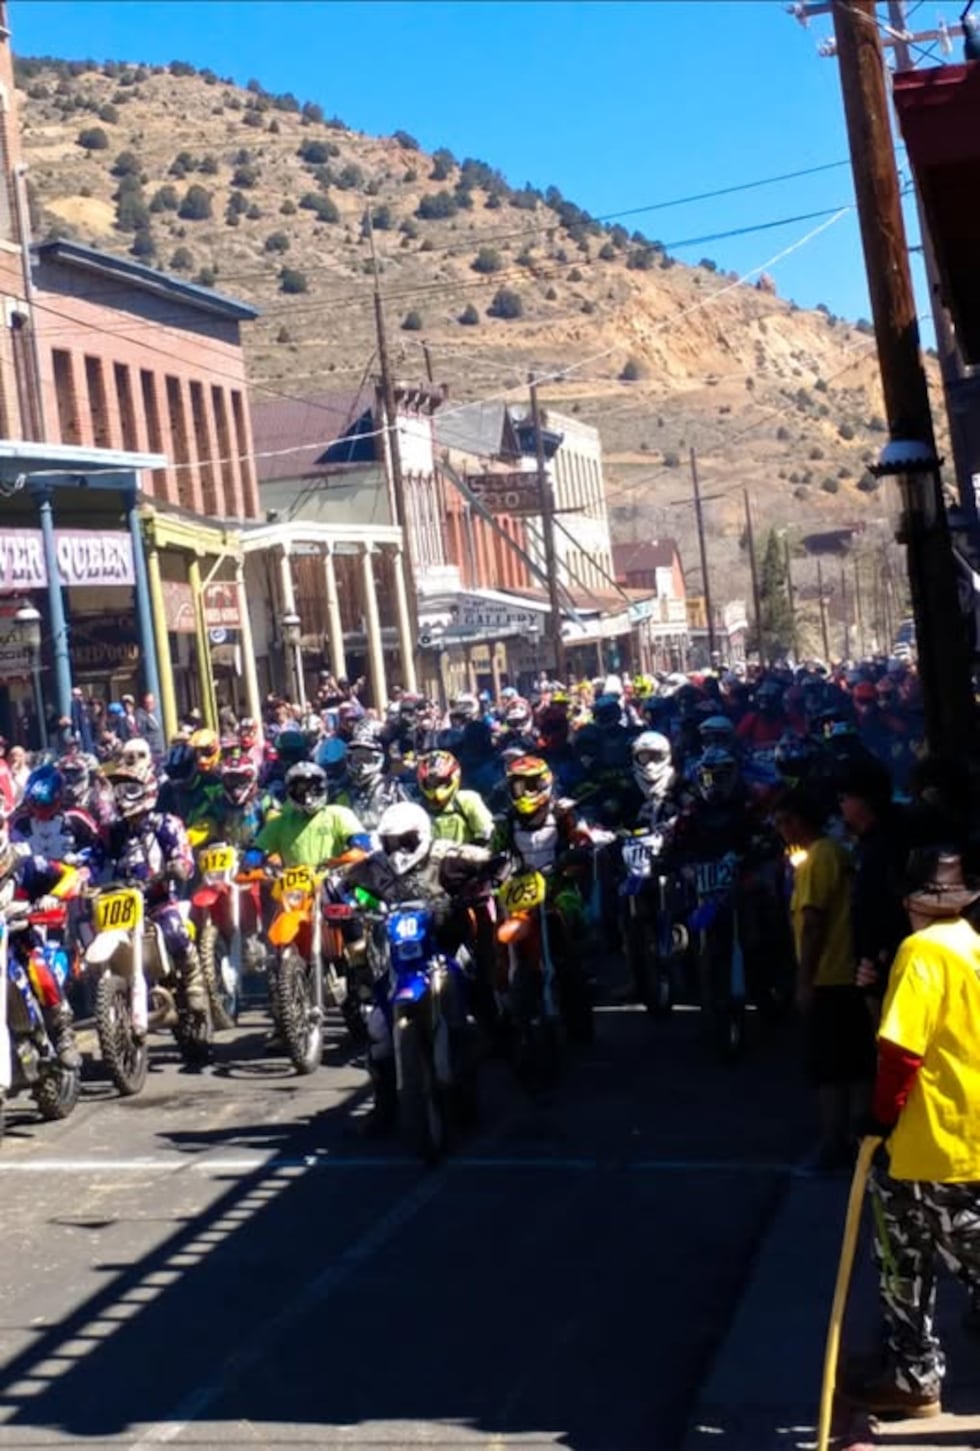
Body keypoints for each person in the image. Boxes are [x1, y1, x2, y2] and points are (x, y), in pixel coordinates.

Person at [844, 850, 980, 1419]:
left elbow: (901, 1051)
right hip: (957, 1136)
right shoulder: (972, 944)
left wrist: (878, 1118)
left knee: (917, 1261)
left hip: (931, 1142)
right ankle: (909, 1375)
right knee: (902, 1252)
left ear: (909, 903)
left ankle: (914, 1372)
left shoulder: (921, 951)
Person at [774, 785, 875, 1169]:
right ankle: (856, 1137)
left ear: (799, 822)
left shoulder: (819, 858)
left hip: (831, 977)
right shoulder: (831, 854)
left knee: (830, 1068)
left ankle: (837, 1142)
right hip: (843, 974)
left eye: (785, 822)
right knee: (854, 1062)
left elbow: (813, 923)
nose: (782, 830)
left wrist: (804, 981)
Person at [253, 761, 367, 869]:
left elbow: (362, 843)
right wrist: (254, 862)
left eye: (313, 788)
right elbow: (255, 852)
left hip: (333, 883)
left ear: (323, 787)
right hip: (291, 887)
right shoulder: (280, 823)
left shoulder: (339, 814)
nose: (308, 796)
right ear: (291, 791)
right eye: (301, 790)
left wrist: (340, 861)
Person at [416, 750, 493, 846]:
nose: (436, 786)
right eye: (432, 782)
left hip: (467, 858)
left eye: (441, 781)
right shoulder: (417, 810)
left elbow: (488, 832)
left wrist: (467, 853)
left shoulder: (467, 800)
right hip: (430, 859)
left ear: (453, 776)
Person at [136, 692, 165, 763]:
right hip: (152, 753)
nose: (149, 705)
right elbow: (141, 734)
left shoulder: (153, 716)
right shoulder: (141, 716)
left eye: (151, 703)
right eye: (147, 703)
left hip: (159, 751)